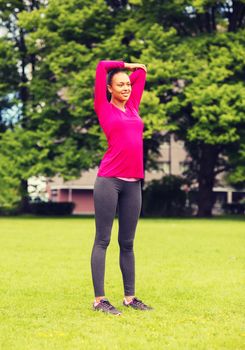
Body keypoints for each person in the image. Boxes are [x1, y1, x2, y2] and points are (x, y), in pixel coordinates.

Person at [90, 60, 153, 315]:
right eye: (120, 84)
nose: (127, 87)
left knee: (127, 242)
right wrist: (127, 64)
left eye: (128, 84)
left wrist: (136, 71)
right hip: (109, 180)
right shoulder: (104, 109)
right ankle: (99, 300)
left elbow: (142, 74)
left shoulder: (133, 107)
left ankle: (129, 297)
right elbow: (101, 66)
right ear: (109, 88)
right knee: (102, 240)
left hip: (133, 183)